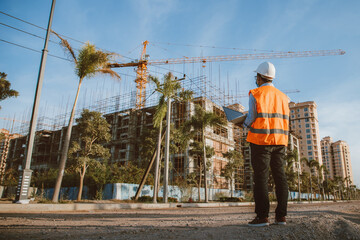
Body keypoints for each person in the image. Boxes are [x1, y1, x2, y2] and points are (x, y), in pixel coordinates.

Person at [241, 62, 289, 227]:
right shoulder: (284, 97)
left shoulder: (256, 93)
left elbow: (251, 118)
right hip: (280, 142)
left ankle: (262, 217)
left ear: (260, 77)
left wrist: (242, 125)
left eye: (257, 76)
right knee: (280, 177)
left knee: (261, 178)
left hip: (261, 142)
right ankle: (281, 217)